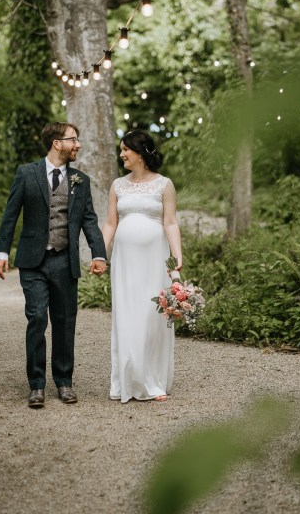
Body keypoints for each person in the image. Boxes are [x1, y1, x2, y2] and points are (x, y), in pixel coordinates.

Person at [0, 122, 107, 408]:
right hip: (33, 261)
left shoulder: (80, 179)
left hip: (64, 260)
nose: (78, 144)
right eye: (73, 139)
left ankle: (65, 382)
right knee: (37, 319)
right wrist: (1, 251)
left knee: (65, 322)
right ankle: (36, 385)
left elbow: (89, 220)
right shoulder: (26, 173)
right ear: (57, 143)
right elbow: (10, 214)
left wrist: (98, 253)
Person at [102, 129, 182, 403]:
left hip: (154, 260)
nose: (121, 154)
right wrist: (101, 255)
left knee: (151, 315)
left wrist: (177, 258)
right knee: (127, 316)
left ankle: (152, 381)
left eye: (125, 149)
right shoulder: (117, 185)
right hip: (124, 262)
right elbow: (111, 223)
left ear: (141, 152)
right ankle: (126, 380)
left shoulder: (164, 184)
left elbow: (170, 222)